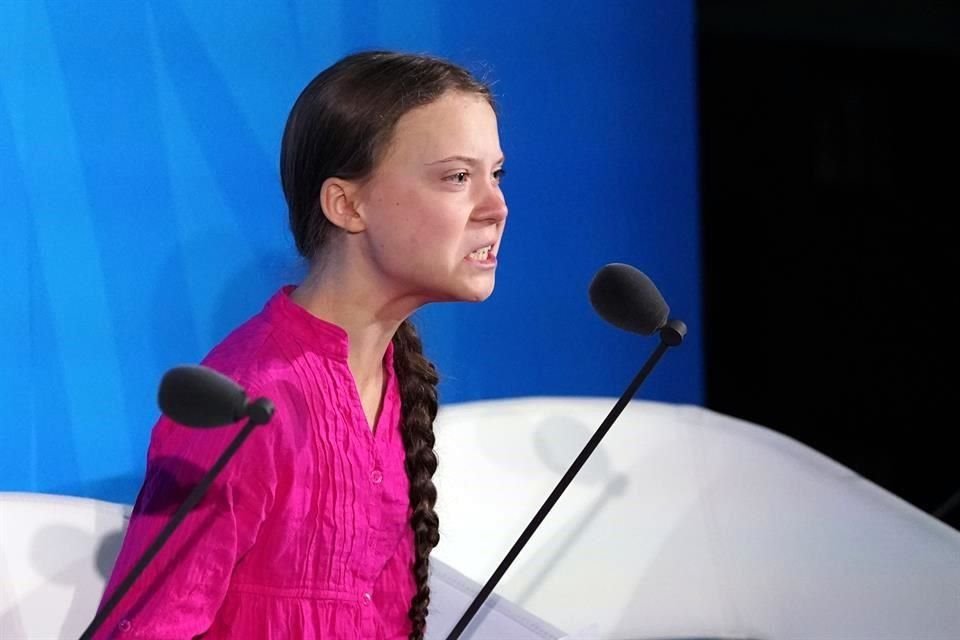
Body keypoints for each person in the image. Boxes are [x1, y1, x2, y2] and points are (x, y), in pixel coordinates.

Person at [94, 50, 507, 639]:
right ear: (346, 204)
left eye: (497, 174)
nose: (496, 208)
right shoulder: (249, 403)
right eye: (457, 177)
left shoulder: (394, 381)